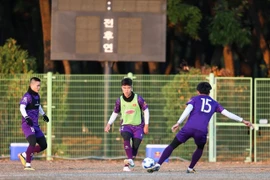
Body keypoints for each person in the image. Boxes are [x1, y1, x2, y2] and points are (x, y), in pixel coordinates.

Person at [147, 82, 254, 173]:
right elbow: (227, 113)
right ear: (209, 92)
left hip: (188, 128)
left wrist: (178, 122)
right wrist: (243, 120)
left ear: (198, 91)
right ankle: (190, 168)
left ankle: (158, 164)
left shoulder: (194, 99)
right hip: (201, 131)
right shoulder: (215, 103)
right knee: (200, 148)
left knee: (173, 145)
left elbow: (187, 110)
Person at [104, 77, 150, 172]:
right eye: (124, 88)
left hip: (138, 126)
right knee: (126, 137)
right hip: (126, 125)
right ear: (121, 88)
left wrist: (146, 125)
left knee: (136, 145)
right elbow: (115, 112)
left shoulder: (138, 98)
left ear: (132, 88)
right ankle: (128, 163)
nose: (126, 90)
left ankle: (129, 163)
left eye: (128, 88)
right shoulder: (119, 100)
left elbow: (146, 110)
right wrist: (109, 123)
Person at [18, 77, 49, 170]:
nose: (39, 87)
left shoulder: (37, 96)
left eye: (39, 85)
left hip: (35, 125)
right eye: (37, 85)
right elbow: (22, 107)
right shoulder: (27, 96)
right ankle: (28, 164)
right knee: (33, 141)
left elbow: (38, 106)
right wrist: (27, 117)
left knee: (44, 145)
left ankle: (24, 154)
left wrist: (43, 114)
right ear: (31, 85)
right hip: (28, 124)